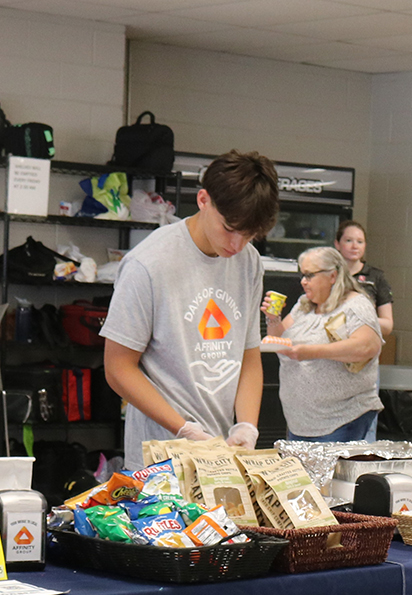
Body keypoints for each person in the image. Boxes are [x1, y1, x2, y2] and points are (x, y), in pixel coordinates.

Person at [101, 150, 279, 454]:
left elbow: (249, 355)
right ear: (203, 200)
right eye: (229, 229)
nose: (236, 245)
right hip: (158, 455)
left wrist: (247, 426)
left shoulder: (249, 261)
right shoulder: (148, 264)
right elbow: (118, 368)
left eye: (248, 235)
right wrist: (183, 428)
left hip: (218, 451)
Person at [263, 247, 383, 441]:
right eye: (302, 275)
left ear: (333, 276)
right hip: (300, 421)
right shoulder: (304, 305)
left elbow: (367, 347)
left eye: (309, 275)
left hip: (340, 419)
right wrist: (273, 319)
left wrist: (310, 352)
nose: (303, 282)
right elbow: (280, 341)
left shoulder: (356, 305)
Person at [334, 221, 393, 337]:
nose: (355, 246)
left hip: (362, 342)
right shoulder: (327, 273)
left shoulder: (376, 276)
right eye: (348, 241)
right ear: (337, 244)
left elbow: (387, 326)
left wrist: (356, 318)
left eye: (360, 242)